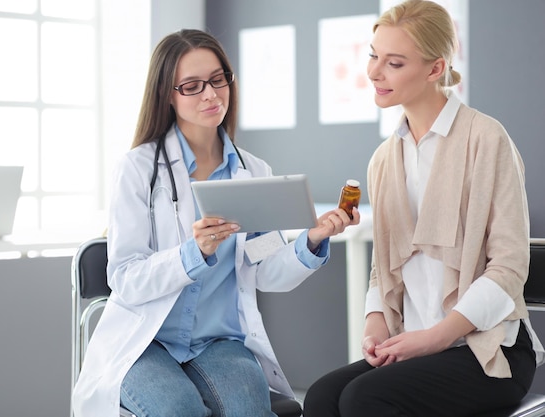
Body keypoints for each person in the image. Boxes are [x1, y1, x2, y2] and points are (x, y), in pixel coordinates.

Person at [72, 29, 360, 417]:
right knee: (181, 409)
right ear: (167, 94)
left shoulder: (252, 172)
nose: (211, 94)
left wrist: (311, 239)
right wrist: (193, 253)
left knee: (249, 410)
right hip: (145, 342)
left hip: (218, 342)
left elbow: (265, 268)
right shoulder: (138, 170)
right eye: (192, 86)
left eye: (218, 79)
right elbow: (126, 277)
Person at [303, 1, 545, 416]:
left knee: (364, 398)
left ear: (436, 69)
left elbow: (508, 266)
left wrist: (436, 337)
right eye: (373, 56)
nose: (374, 72)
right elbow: (384, 266)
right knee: (322, 397)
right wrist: (375, 320)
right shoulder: (384, 158)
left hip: (487, 349)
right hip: (416, 343)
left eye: (393, 63)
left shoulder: (486, 140)